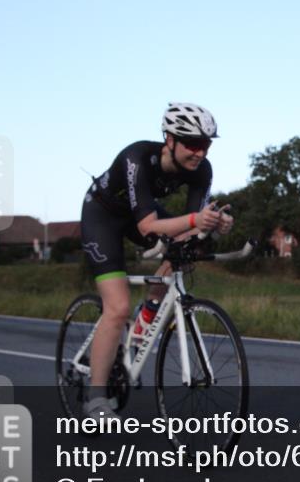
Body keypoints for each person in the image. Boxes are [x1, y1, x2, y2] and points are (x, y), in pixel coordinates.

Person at [79, 103, 234, 419]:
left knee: (185, 248)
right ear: (169, 139)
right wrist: (196, 219)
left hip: (140, 215)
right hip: (103, 216)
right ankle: (95, 399)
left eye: (205, 145)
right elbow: (148, 226)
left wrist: (215, 225)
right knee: (117, 306)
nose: (199, 153)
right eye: (191, 144)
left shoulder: (202, 170)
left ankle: (148, 311)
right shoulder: (138, 157)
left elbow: (191, 228)